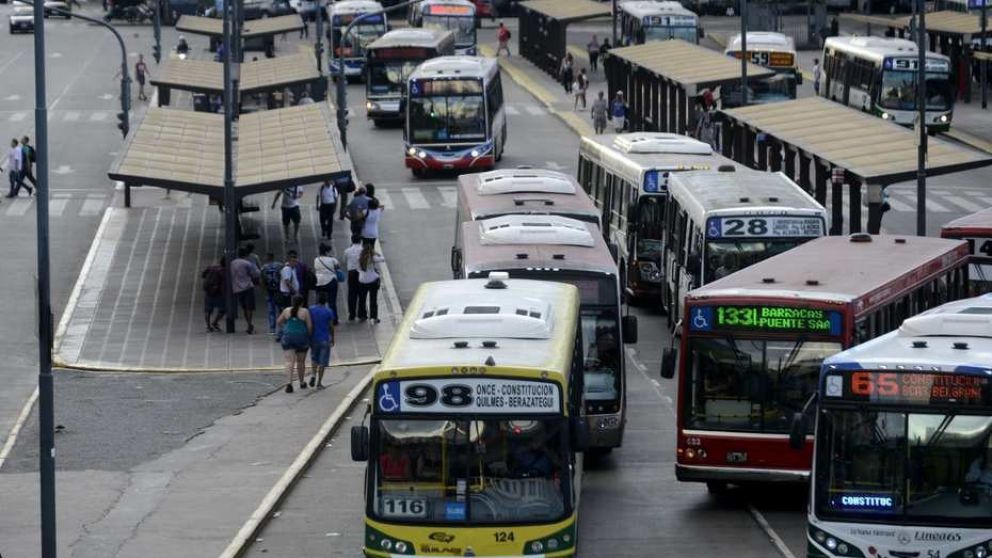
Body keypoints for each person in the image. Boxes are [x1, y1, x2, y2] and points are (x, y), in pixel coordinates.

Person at [276, 294, 312, 393]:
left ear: (292, 302)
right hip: (301, 337)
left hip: (288, 337)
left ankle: (289, 384)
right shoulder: (305, 312)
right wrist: (308, 336)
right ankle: (301, 382)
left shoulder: (286, 311)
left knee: (289, 362)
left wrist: (285, 328)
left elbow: (278, 321)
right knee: (301, 362)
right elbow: (309, 326)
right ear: (302, 303)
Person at [308, 291, 335, 389]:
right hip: (324, 339)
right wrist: (332, 338)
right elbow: (331, 327)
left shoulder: (311, 309)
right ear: (326, 301)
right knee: (323, 362)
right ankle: (319, 383)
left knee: (314, 358)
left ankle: (313, 375)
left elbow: (309, 323)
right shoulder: (329, 311)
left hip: (314, 338)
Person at [230, 247, 261, 334]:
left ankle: (249, 324)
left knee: (244, 307)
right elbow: (255, 274)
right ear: (245, 255)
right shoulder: (247, 263)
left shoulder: (232, 263)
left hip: (237, 288)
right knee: (249, 307)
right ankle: (249, 325)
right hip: (247, 287)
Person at [313, 243, 341, 324]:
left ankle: (318, 318)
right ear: (327, 251)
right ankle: (334, 319)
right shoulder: (332, 260)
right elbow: (337, 267)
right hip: (331, 281)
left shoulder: (316, 259)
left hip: (318, 282)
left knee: (318, 301)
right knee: (332, 302)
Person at [357, 243, 385, 323]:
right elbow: (382, 259)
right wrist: (376, 253)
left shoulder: (359, 258)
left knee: (362, 299)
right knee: (373, 299)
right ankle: (374, 317)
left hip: (362, 280)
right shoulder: (373, 258)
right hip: (372, 281)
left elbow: (357, 269)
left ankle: (362, 315)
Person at [260, 253, 284, 335]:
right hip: (279, 290)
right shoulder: (280, 265)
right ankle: (281, 327)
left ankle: (272, 328)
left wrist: (263, 289)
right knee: (280, 309)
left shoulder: (263, 267)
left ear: (268, 257)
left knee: (271, 310)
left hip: (269, 290)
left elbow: (262, 280)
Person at [201, 257, 227, 332]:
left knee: (208, 310)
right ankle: (215, 322)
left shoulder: (211, 267)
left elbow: (203, 275)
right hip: (218, 293)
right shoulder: (224, 271)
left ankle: (208, 326)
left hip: (209, 292)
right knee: (223, 309)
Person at [343, 235, 363, 321]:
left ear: (352, 240)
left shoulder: (347, 250)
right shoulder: (363, 250)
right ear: (360, 241)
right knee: (362, 293)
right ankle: (361, 313)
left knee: (351, 294)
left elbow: (344, 261)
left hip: (351, 273)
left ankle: (352, 314)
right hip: (361, 273)